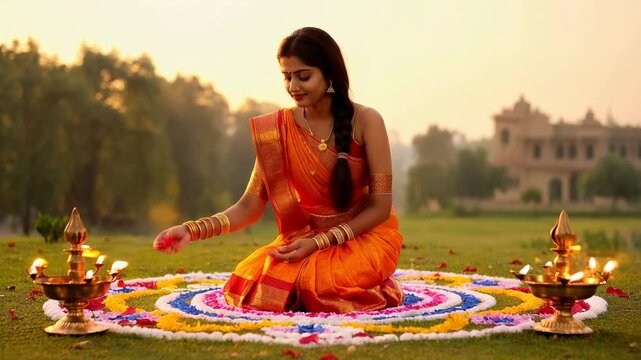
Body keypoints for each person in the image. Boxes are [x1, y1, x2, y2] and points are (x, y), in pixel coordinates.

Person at [153, 27, 403, 313]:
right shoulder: (276, 131)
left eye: (303, 76)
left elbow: (381, 208)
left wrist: (319, 242)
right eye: (287, 76)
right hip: (302, 240)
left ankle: (366, 283)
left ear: (330, 74)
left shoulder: (367, 121)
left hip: (362, 237)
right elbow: (249, 205)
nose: (293, 85)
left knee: (322, 284)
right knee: (250, 282)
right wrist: (190, 230)